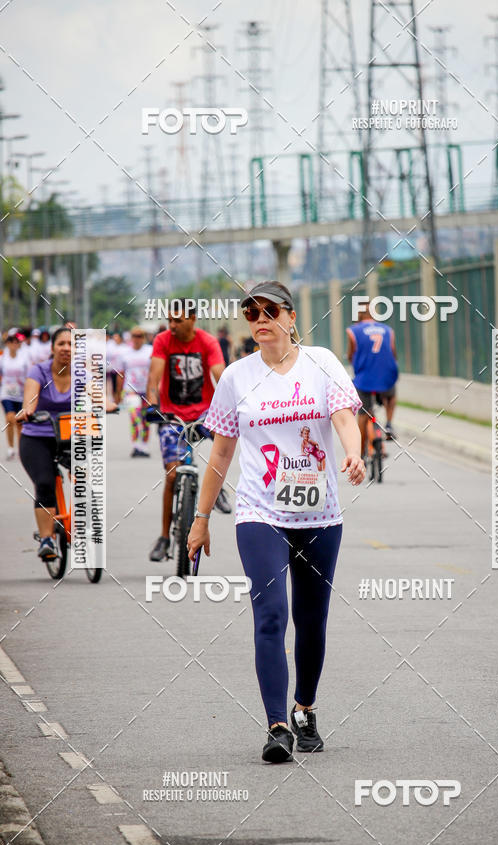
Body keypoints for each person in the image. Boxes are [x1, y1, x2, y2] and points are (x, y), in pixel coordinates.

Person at [186, 280, 365, 764]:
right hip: (259, 511)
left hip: (320, 514)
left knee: (312, 621)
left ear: (291, 317)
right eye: (251, 312)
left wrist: (353, 454)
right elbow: (221, 451)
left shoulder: (322, 362)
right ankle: (277, 726)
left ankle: (304, 708)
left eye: (270, 310)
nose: (260, 318)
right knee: (270, 616)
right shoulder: (236, 378)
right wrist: (201, 519)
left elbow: (345, 417)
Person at [146, 301, 227, 562]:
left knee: (223, 436)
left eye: (178, 320)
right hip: (172, 414)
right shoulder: (163, 340)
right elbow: (153, 379)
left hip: (204, 412)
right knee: (171, 475)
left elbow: (220, 374)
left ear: (193, 319)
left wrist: (230, 400)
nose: (172, 325)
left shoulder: (207, 342)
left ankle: (219, 488)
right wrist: (153, 405)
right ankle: (164, 537)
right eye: (169, 320)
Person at [17, 327, 72, 560]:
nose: (66, 349)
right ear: (52, 348)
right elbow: (30, 398)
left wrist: (107, 405)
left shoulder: (83, 373)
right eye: (61, 344)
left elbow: (97, 394)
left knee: (89, 476)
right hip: (36, 436)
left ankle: (85, 528)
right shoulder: (38, 371)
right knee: (45, 482)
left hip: (71, 437)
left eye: (71, 344)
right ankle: (47, 539)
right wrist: (28, 410)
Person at [346, 306, 399, 454]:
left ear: (359, 315)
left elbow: (351, 355)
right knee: (391, 396)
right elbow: (393, 354)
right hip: (386, 377)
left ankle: (360, 452)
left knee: (363, 415)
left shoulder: (353, 331)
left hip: (365, 380)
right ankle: (388, 424)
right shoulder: (388, 330)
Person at [115, 327, 153, 457]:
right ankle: (136, 445)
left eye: (140, 336)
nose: (137, 339)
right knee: (135, 418)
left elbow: (156, 373)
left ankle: (144, 445)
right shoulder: (125, 354)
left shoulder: (150, 351)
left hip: (147, 391)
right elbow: (120, 374)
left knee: (146, 419)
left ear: (144, 337)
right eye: (135, 336)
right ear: (131, 338)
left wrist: (155, 392)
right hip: (131, 390)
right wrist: (117, 393)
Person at [0, 330, 30, 460]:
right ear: (7, 344)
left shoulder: (24, 359)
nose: (13, 344)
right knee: (9, 418)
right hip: (6, 393)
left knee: (19, 423)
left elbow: (30, 376)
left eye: (16, 342)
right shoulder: (2, 359)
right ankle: (10, 448)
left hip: (20, 393)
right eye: (11, 342)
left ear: (19, 344)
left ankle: (20, 449)